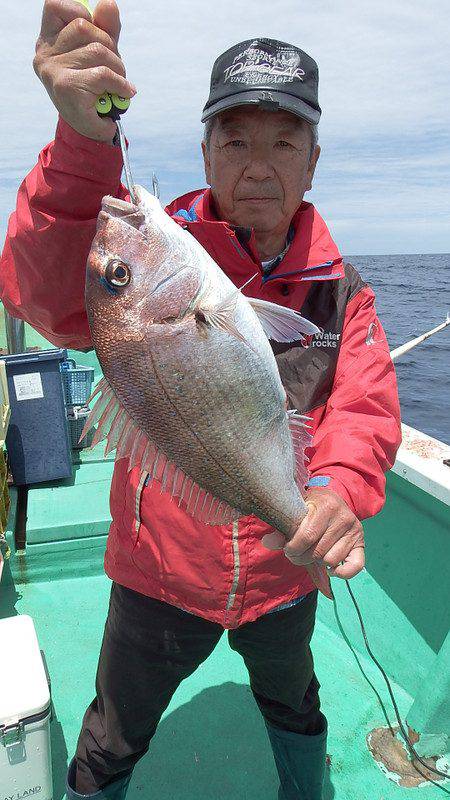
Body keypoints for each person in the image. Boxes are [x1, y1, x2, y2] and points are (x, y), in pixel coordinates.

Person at [0, 2, 402, 798]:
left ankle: (303, 787)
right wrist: (86, 139)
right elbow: (46, 294)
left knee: (296, 702)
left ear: (313, 163)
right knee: (112, 734)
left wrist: (335, 493)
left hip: (283, 581)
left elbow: (363, 408)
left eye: (283, 142)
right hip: (157, 576)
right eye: (235, 140)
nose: (259, 163)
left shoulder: (341, 295)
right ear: (206, 153)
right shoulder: (147, 263)